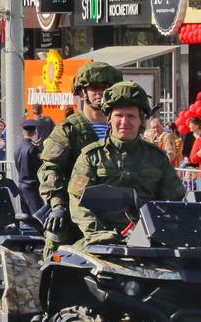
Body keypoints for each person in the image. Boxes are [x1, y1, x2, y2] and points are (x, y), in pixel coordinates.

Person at [67, 82, 186, 247]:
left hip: (149, 242)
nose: (124, 122)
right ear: (109, 119)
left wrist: (161, 231)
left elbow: (174, 201)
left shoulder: (157, 158)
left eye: (131, 116)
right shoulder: (91, 156)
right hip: (99, 243)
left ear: (141, 121)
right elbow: (78, 201)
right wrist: (99, 235)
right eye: (118, 116)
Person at [37, 61, 123, 254]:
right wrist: (58, 205)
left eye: (106, 88)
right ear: (83, 92)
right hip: (75, 210)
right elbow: (50, 169)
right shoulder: (69, 129)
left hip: (115, 212)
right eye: (94, 88)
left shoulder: (121, 129)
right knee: (57, 253)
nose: (100, 93)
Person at [11, 120, 44, 214]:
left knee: (26, 217)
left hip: (22, 184)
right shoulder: (33, 148)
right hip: (32, 186)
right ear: (35, 133)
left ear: (23, 133)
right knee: (38, 215)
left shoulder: (18, 147)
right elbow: (40, 167)